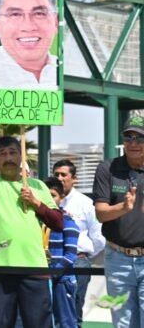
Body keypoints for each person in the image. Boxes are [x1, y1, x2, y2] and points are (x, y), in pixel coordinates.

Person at [0, 136, 61, 328]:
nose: (8, 158)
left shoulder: (37, 186)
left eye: (13, 152)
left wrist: (36, 203)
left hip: (34, 266)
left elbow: (58, 223)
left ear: (22, 156)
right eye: (2, 154)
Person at [93, 114, 144, 328]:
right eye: (128, 137)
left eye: (140, 138)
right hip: (117, 258)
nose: (133, 143)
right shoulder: (107, 168)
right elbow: (101, 213)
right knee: (123, 324)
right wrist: (123, 207)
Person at [52, 158, 105, 325]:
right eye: (56, 174)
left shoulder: (86, 203)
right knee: (51, 309)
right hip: (51, 261)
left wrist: (83, 255)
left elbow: (98, 236)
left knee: (74, 309)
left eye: (64, 175)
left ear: (74, 178)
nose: (59, 178)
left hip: (78, 261)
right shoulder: (46, 201)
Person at [0, 0, 58, 90]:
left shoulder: (63, 71)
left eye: (39, 14)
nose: (28, 26)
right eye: (15, 14)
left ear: (55, 22)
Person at [44, 176, 81, 328]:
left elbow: (71, 255)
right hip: (42, 278)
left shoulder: (67, 221)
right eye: (44, 195)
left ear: (62, 198)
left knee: (66, 322)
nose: (48, 199)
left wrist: (53, 273)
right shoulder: (37, 221)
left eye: (52, 195)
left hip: (62, 279)